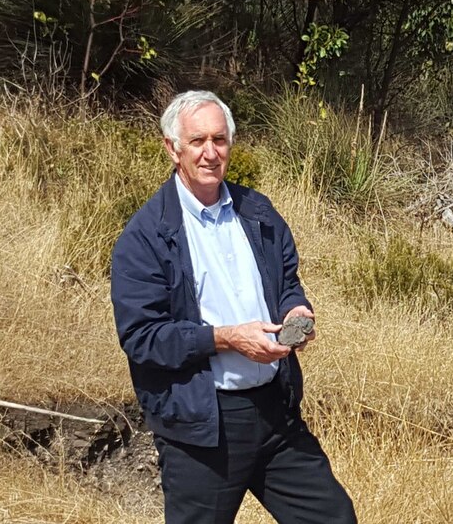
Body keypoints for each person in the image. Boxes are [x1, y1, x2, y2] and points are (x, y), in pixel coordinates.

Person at [111, 90, 357, 524]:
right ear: (172, 149)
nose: (210, 153)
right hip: (202, 427)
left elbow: (286, 283)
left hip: (275, 412)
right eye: (197, 141)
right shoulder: (146, 234)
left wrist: (296, 311)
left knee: (333, 516)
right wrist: (225, 339)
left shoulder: (256, 211)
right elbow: (142, 338)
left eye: (219, 140)